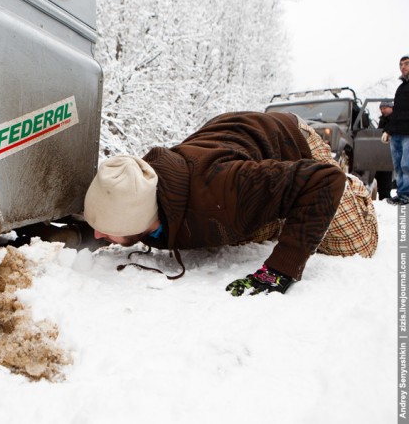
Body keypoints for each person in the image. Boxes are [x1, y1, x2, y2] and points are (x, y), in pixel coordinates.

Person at [84, 112, 378, 296]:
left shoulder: (224, 192)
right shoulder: (133, 189)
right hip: (230, 144)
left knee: (353, 244)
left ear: (138, 220)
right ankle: (278, 205)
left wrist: (280, 270)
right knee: (242, 225)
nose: (98, 234)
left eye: (106, 229)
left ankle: (355, 189)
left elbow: (323, 181)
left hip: (290, 139)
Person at [383, 55, 409, 205]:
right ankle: (401, 193)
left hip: (408, 134)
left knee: (407, 165)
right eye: (401, 65)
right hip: (397, 133)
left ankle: (407, 194)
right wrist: (388, 130)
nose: (403, 67)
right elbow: (397, 112)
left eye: (406, 64)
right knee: (398, 166)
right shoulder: (400, 88)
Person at [375, 101, 394, 200]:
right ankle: (383, 196)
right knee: (383, 172)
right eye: (381, 109)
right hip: (384, 151)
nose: (383, 110)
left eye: (385, 108)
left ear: (391, 107)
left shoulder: (396, 118)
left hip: (395, 149)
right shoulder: (382, 120)